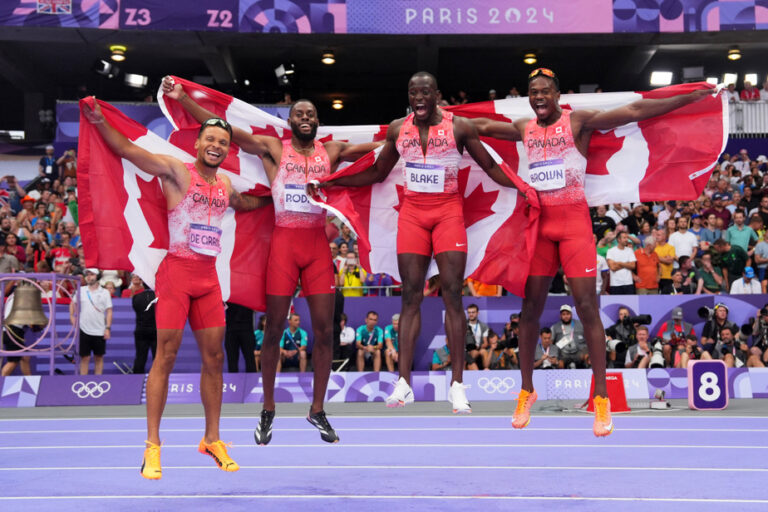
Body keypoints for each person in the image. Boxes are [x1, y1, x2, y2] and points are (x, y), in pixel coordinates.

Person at [470, 67, 714, 435]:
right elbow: (484, 129)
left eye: (544, 92)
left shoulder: (578, 121)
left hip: (573, 226)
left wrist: (688, 97)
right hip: (541, 225)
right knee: (530, 309)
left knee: (586, 307)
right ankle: (526, 390)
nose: (538, 97)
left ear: (557, 95)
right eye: (532, 92)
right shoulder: (524, 128)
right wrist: (439, 118)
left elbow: (634, 112)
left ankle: (601, 399)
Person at [162, 77, 380, 446]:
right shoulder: (273, 148)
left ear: (317, 121)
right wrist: (184, 98)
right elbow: (227, 132)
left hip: (315, 247)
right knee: (275, 328)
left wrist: (406, 139)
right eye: (299, 113)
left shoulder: (334, 150)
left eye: (311, 114)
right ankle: (268, 407)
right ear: (291, 120)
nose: (305, 117)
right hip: (283, 244)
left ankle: (318, 409)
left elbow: (376, 148)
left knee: (325, 331)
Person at [312, 71, 532, 414]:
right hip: (413, 215)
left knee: (453, 295)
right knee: (410, 296)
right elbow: (377, 173)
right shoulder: (399, 129)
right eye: (413, 92)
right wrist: (334, 182)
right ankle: (403, 383)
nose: (419, 98)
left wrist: (522, 187)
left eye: (425, 92)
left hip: (448, 214)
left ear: (437, 95)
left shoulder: (460, 128)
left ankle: (457, 386)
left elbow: (489, 166)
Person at [82, 99, 270, 479]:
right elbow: (126, 150)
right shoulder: (175, 171)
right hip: (176, 277)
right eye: (210, 139)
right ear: (197, 144)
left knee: (214, 358)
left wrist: (274, 200)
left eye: (222, 141)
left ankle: (212, 439)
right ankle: (153, 446)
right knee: (164, 357)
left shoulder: (225, 183)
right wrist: (101, 120)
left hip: (207, 279)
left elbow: (242, 203)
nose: (216, 145)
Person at [70, 268, 112, 376]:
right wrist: (72, 317)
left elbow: (109, 311)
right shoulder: (81, 290)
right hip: (83, 329)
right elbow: (73, 304)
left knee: (98, 357)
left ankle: (98, 381)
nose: (89, 276)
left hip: (100, 330)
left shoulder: (105, 292)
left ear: (97, 276)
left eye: (92, 274)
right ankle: (84, 381)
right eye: (87, 274)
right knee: (85, 357)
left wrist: (107, 328)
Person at [131, 283, 157, 374]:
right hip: (156, 331)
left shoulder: (136, 297)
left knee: (140, 357)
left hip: (141, 330)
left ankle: (135, 381)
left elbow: (135, 308)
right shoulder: (159, 297)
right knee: (157, 357)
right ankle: (158, 379)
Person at [224, 302, 257, 373]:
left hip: (247, 329)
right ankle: (234, 383)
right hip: (231, 330)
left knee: (250, 360)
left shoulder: (251, 292)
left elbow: (256, 307)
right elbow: (221, 305)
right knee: (232, 362)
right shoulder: (227, 291)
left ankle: (252, 383)